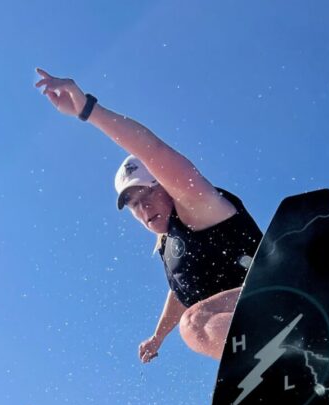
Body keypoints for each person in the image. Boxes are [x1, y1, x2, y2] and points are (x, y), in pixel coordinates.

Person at [34, 68, 263, 363]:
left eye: (148, 195)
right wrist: (158, 337)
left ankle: (281, 357)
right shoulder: (170, 245)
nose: (143, 209)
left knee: (195, 325)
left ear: (166, 187)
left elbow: (152, 149)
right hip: (254, 308)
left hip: (283, 291)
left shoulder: (197, 205)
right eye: (134, 205)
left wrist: (89, 110)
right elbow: (180, 293)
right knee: (192, 320)